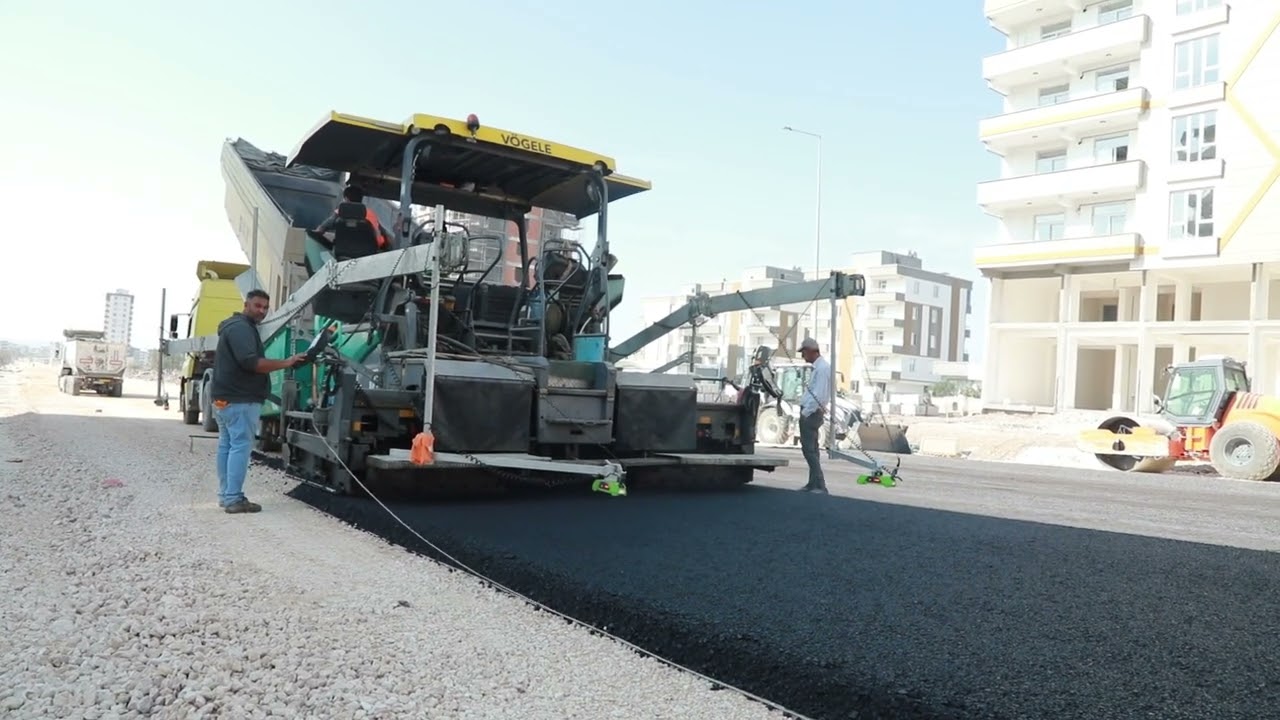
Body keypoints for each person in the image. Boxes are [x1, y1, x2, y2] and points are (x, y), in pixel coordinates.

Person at [209, 289, 306, 513]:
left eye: (265, 307)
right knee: (240, 446)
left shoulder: (235, 327)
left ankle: (226, 495)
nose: (261, 311)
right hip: (240, 400)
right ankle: (233, 498)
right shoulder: (241, 328)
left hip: (225, 399)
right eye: (257, 306)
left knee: (227, 445)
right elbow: (252, 363)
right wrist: (287, 362)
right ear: (246, 305)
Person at [313, 185, 392, 255]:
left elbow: (320, 230)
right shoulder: (371, 215)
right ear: (361, 199)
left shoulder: (340, 213)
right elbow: (380, 240)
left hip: (342, 255)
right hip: (368, 256)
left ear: (346, 199)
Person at [797, 337, 830, 494]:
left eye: (804, 352)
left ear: (811, 351)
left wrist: (806, 412)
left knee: (809, 450)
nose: (803, 356)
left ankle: (820, 484)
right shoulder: (819, 368)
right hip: (812, 412)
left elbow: (819, 395)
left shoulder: (822, 369)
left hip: (811, 413)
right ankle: (813, 484)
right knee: (813, 450)